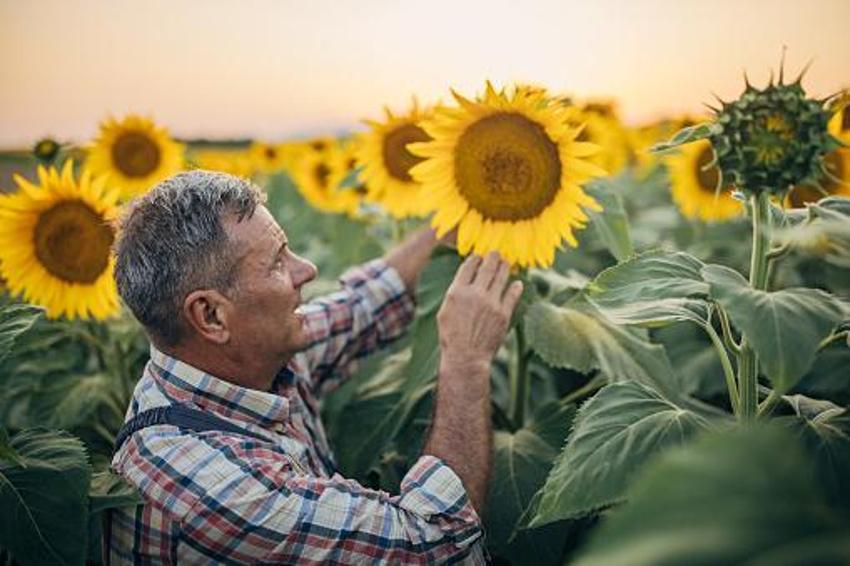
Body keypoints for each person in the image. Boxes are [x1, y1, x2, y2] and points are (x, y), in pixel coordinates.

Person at [109, 170, 523, 564]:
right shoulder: (205, 483)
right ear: (212, 316)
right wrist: (466, 359)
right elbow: (435, 544)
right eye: (276, 263)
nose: (307, 270)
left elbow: (369, 302)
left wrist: (479, 196)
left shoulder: (249, 360)